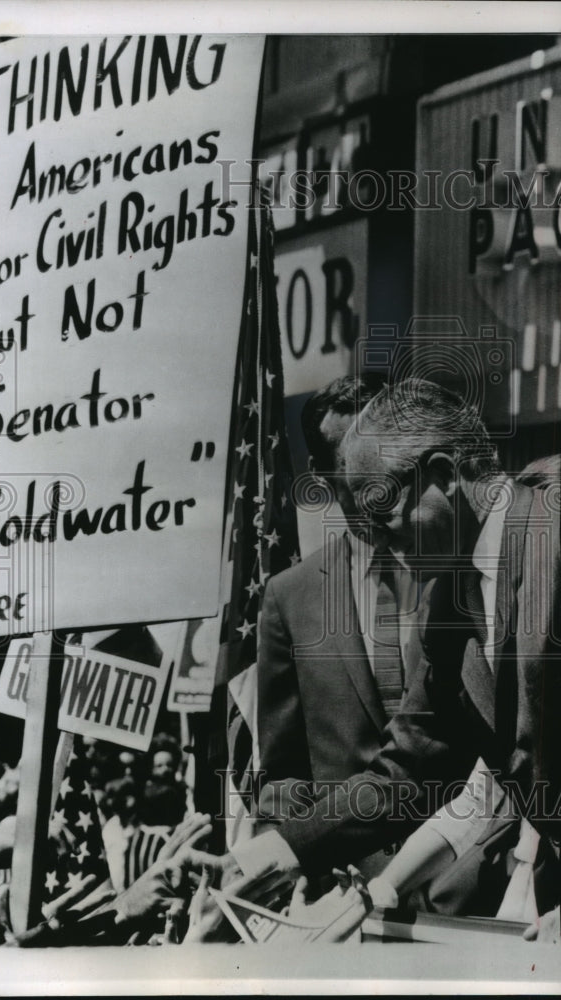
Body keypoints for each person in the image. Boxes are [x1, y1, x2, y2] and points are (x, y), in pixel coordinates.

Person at [226, 378, 561, 939]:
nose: (379, 547)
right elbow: (409, 771)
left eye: (383, 518)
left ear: (442, 477)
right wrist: (277, 852)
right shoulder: (446, 603)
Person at [256, 373, 436, 877]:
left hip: (471, 882)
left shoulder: (453, 569)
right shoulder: (290, 597)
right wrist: (299, 849)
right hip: (346, 888)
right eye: (347, 462)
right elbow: (281, 777)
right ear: (319, 473)